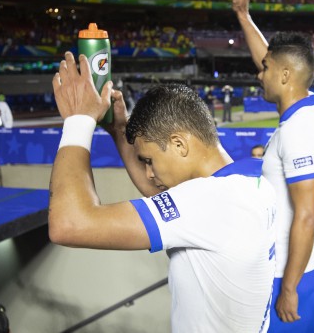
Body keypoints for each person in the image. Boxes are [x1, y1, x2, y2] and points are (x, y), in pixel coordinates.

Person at [49, 52, 277, 332]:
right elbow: (157, 194)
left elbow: (69, 224)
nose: (149, 174)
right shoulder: (251, 180)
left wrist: (78, 121)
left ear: (180, 144)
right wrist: (119, 130)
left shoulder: (212, 200)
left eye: (149, 160)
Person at [233, 0, 314, 332]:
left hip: (297, 269)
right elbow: (275, 58)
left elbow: (306, 214)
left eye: (264, 70)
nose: (258, 74)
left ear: (285, 76)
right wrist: (244, 17)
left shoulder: (298, 130)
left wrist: (289, 287)